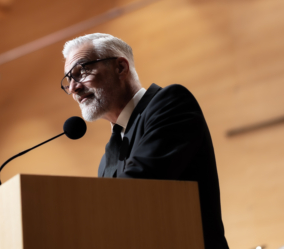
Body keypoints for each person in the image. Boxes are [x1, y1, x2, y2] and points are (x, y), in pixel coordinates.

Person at [61, 33, 229, 249]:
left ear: (120, 68)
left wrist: (66, 211)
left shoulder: (171, 103)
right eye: (68, 80)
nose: (73, 88)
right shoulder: (107, 158)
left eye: (81, 71)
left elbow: (140, 187)